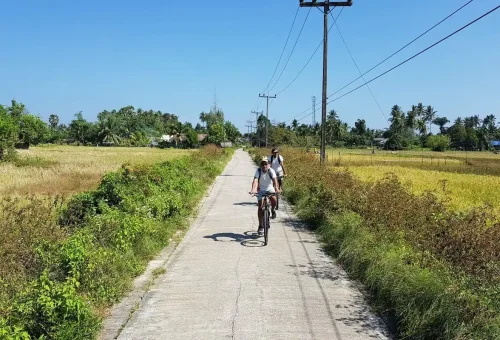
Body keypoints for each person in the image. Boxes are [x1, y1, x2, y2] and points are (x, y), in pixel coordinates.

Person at [249, 156, 280, 234]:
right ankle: (260, 225)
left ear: (268, 164)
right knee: (260, 207)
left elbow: (275, 180)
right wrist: (253, 189)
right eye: (262, 164)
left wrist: (276, 188)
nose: (264, 166)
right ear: (260, 165)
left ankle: (272, 210)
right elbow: (255, 180)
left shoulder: (271, 171)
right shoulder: (258, 171)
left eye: (265, 164)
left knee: (274, 200)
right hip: (261, 190)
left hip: (270, 188)